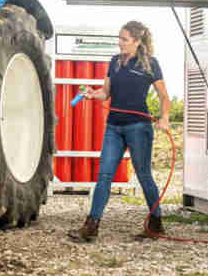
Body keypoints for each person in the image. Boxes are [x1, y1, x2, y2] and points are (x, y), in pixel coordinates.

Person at [68, 21, 171, 243]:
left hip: (138, 127)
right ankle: (91, 226)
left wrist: (164, 118)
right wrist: (90, 94)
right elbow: (105, 93)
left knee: (144, 175)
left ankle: (156, 223)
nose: (120, 42)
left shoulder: (150, 64)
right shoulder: (114, 62)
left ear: (137, 41)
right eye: (119, 38)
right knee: (104, 175)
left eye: (124, 39)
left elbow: (164, 96)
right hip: (113, 126)